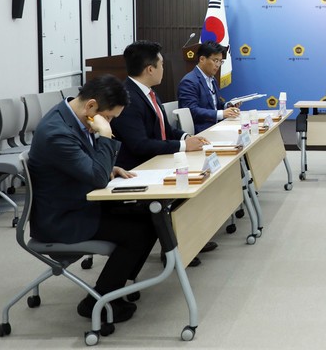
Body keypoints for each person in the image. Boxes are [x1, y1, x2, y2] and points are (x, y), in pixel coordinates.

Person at [27, 75, 157, 324]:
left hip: (78, 202)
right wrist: (105, 135)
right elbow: (97, 178)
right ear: (91, 106)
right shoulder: (57, 132)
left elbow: (87, 166)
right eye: (108, 117)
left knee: (150, 215)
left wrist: (110, 167)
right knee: (138, 231)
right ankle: (99, 301)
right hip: (61, 218)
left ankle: (118, 285)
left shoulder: (73, 117)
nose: (109, 123)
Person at [110, 41, 217, 266]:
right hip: (138, 168)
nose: (163, 69)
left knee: (200, 176)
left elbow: (166, 130)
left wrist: (186, 138)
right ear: (150, 69)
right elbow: (139, 145)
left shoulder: (150, 93)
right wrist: (182, 147)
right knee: (186, 184)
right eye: (161, 64)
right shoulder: (127, 97)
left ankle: (188, 239)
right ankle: (174, 246)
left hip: (157, 159)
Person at [178, 41, 240, 134]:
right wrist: (221, 114)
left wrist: (228, 106)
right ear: (202, 59)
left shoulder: (212, 79)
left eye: (220, 61)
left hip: (216, 127)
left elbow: (214, 105)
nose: (218, 65)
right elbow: (191, 110)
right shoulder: (189, 82)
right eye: (215, 60)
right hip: (201, 131)